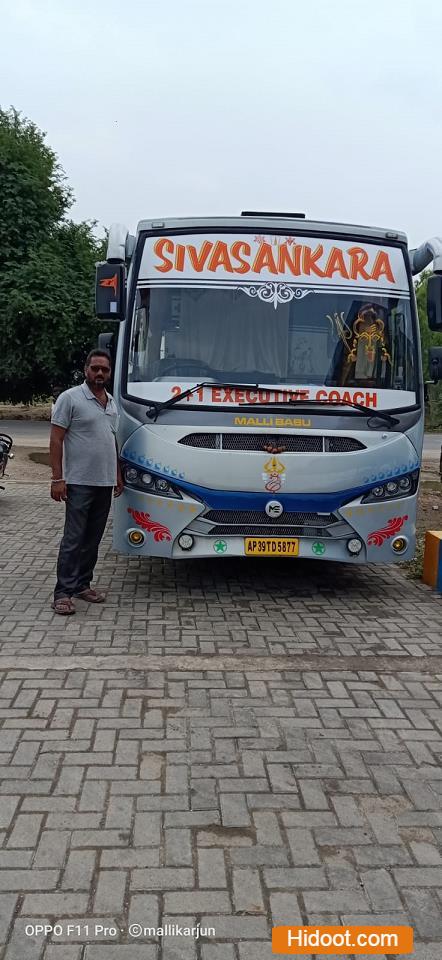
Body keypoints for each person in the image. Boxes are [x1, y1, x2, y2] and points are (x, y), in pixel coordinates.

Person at [49, 350, 124, 615]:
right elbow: (56, 439)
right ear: (86, 370)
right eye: (95, 368)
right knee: (74, 538)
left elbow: (111, 441)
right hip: (79, 482)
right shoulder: (70, 398)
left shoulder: (112, 402)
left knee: (93, 538)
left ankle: (82, 584)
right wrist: (57, 478)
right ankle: (63, 592)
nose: (100, 373)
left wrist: (117, 474)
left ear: (109, 372)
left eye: (104, 369)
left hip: (104, 483)